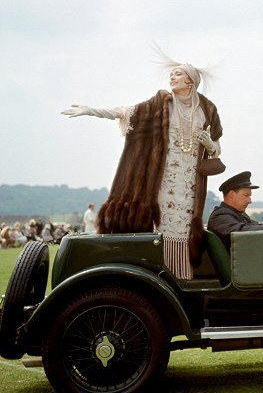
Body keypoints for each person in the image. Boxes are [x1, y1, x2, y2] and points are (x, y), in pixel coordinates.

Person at [61, 53, 222, 280]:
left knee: (187, 233)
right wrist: (92, 110)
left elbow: (217, 150)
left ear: (190, 81)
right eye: (171, 74)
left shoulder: (207, 110)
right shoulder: (161, 103)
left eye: (178, 74)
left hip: (191, 185)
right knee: (162, 230)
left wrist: (209, 143)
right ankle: (164, 281)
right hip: (163, 180)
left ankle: (184, 282)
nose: (172, 78)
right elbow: (125, 111)